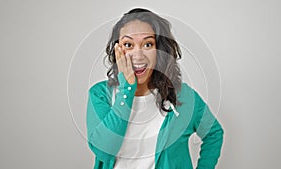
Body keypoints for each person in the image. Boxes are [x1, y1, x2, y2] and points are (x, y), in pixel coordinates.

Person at [86, 8, 224, 169]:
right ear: (117, 50)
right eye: (128, 44)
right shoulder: (99, 94)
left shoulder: (184, 96)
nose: (138, 55)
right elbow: (103, 151)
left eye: (148, 44)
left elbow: (214, 134)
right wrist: (127, 89)